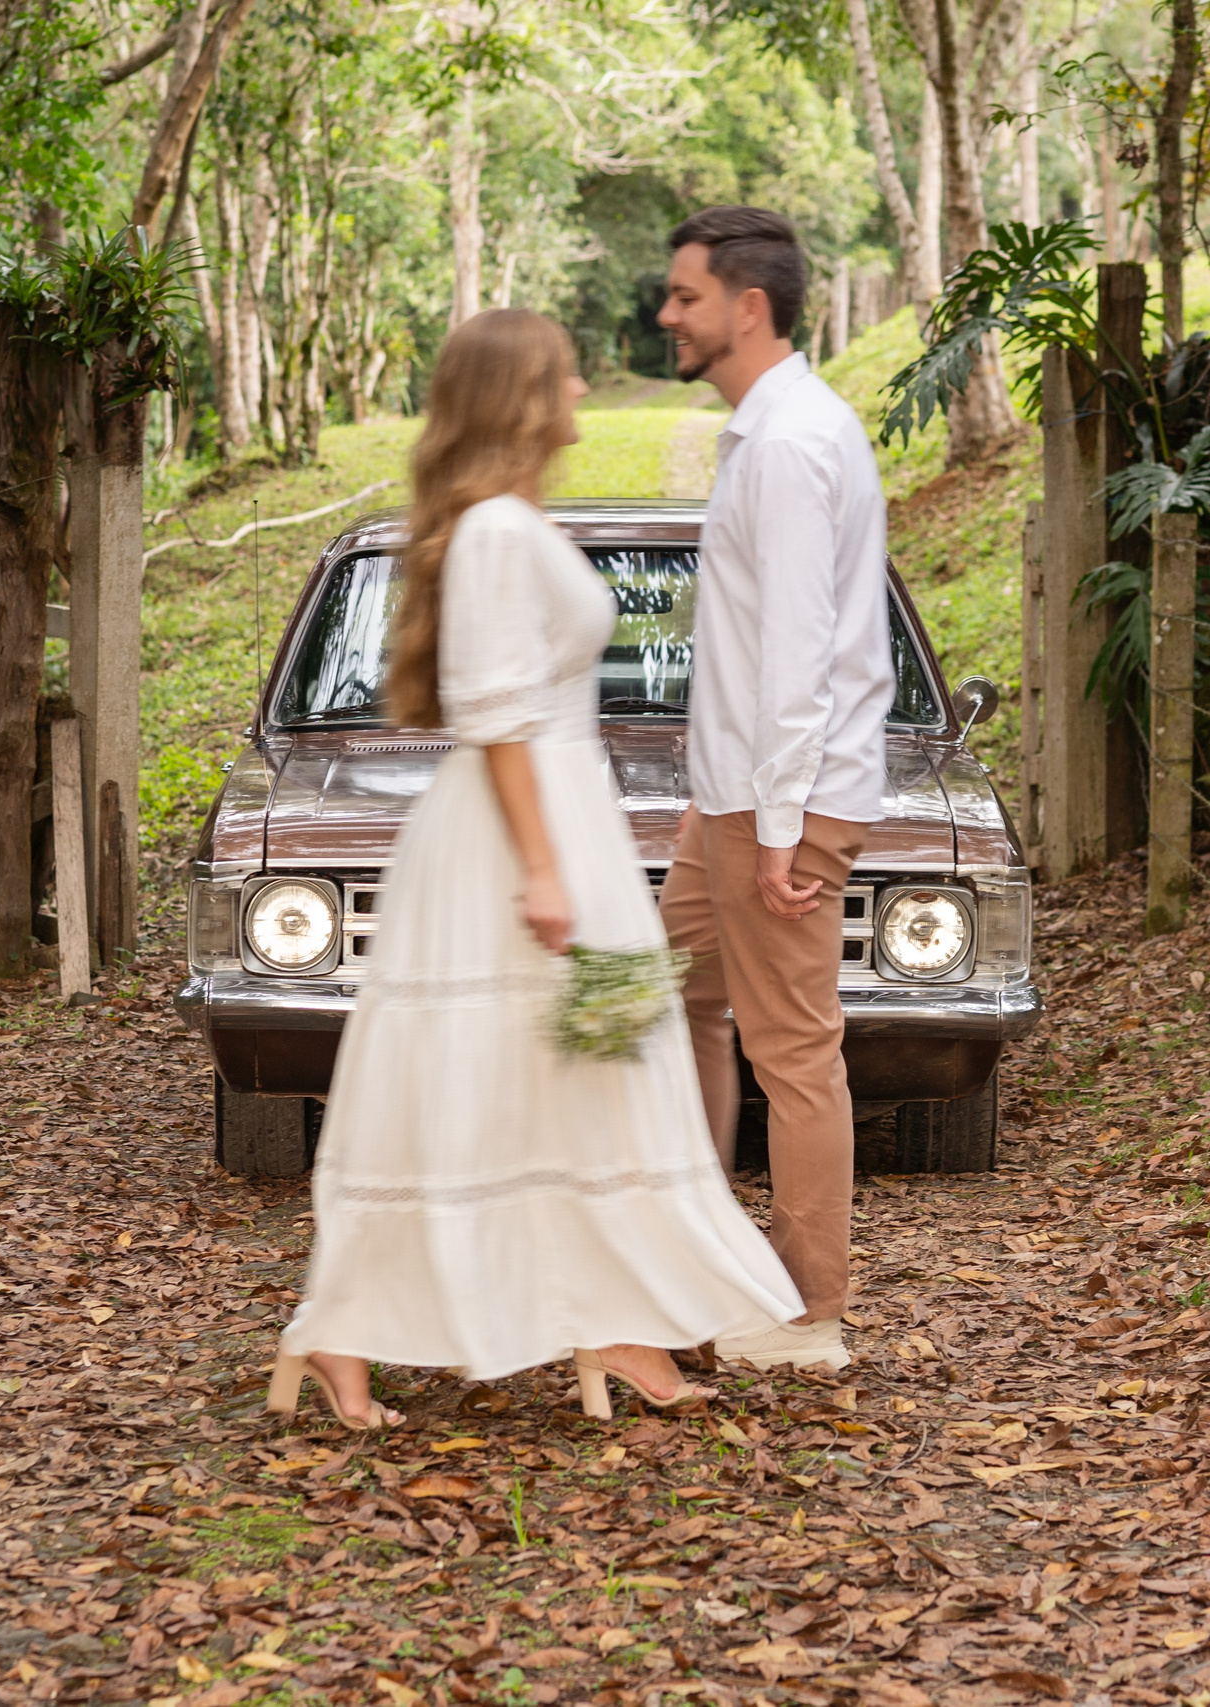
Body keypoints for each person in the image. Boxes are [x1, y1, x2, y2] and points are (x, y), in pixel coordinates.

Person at [269, 308, 803, 1430]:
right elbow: (499, 715)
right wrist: (544, 869)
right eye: (561, 378)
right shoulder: (495, 535)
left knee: (585, 1077)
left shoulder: (506, 523)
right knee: (491, 1083)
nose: (579, 395)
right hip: (524, 836)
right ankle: (343, 1327)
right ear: (518, 398)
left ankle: (607, 1316)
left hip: (568, 819)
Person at [654, 207, 891, 1373]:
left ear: (747, 308)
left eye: (685, 296)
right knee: (668, 1001)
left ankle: (807, 1316)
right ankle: (694, 1257)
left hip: (779, 802)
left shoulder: (794, 443)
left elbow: (799, 654)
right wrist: (719, 804)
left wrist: (781, 830)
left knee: (792, 1050)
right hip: (736, 798)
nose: (667, 315)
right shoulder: (765, 432)